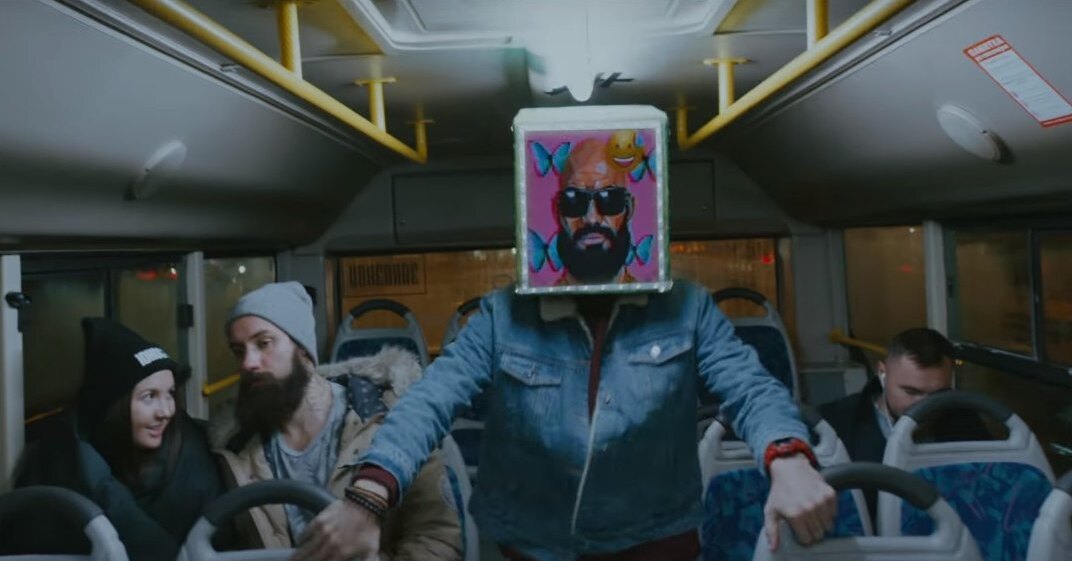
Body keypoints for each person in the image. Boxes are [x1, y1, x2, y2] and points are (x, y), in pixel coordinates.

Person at [296, 128, 837, 561]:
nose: (593, 217)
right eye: (577, 200)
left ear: (630, 211)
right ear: (557, 214)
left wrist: (788, 457)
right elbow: (429, 401)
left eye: (610, 200)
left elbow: (750, 388)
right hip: (533, 546)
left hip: (656, 543)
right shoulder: (503, 315)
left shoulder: (687, 308)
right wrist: (368, 497)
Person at [214, 282, 462, 560]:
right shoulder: (237, 449)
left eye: (263, 343)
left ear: (303, 350)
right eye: (239, 351)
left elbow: (437, 537)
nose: (248, 363)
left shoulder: (391, 418)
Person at [2, 318, 223, 561]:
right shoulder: (58, 462)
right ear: (111, 407)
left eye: (170, 394)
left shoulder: (191, 458)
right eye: (149, 396)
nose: (166, 411)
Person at [820, 327, 990, 516]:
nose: (924, 406)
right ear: (882, 373)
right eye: (911, 392)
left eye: (938, 394)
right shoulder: (838, 423)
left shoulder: (964, 421)